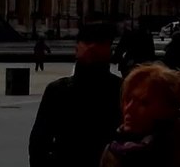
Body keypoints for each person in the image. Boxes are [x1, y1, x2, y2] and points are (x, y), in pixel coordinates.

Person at [30, 22, 123, 167]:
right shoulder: (57, 90)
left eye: (99, 42)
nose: (93, 47)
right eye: (88, 41)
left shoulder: (123, 90)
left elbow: (38, 143)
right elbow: (39, 143)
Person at [99, 63, 180, 167]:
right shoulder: (115, 148)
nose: (129, 108)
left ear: (166, 109)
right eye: (128, 100)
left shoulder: (178, 154)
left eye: (143, 103)